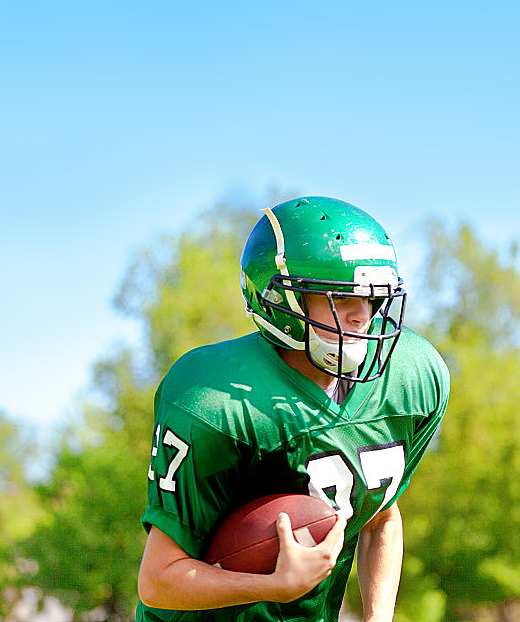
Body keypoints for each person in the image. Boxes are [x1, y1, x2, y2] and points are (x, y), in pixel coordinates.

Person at [136, 196, 450, 622]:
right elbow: (158, 580)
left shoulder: (411, 375)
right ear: (281, 301)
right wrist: (272, 587)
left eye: (372, 297)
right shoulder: (215, 402)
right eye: (340, 297)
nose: (362, 315)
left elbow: (380, 516)